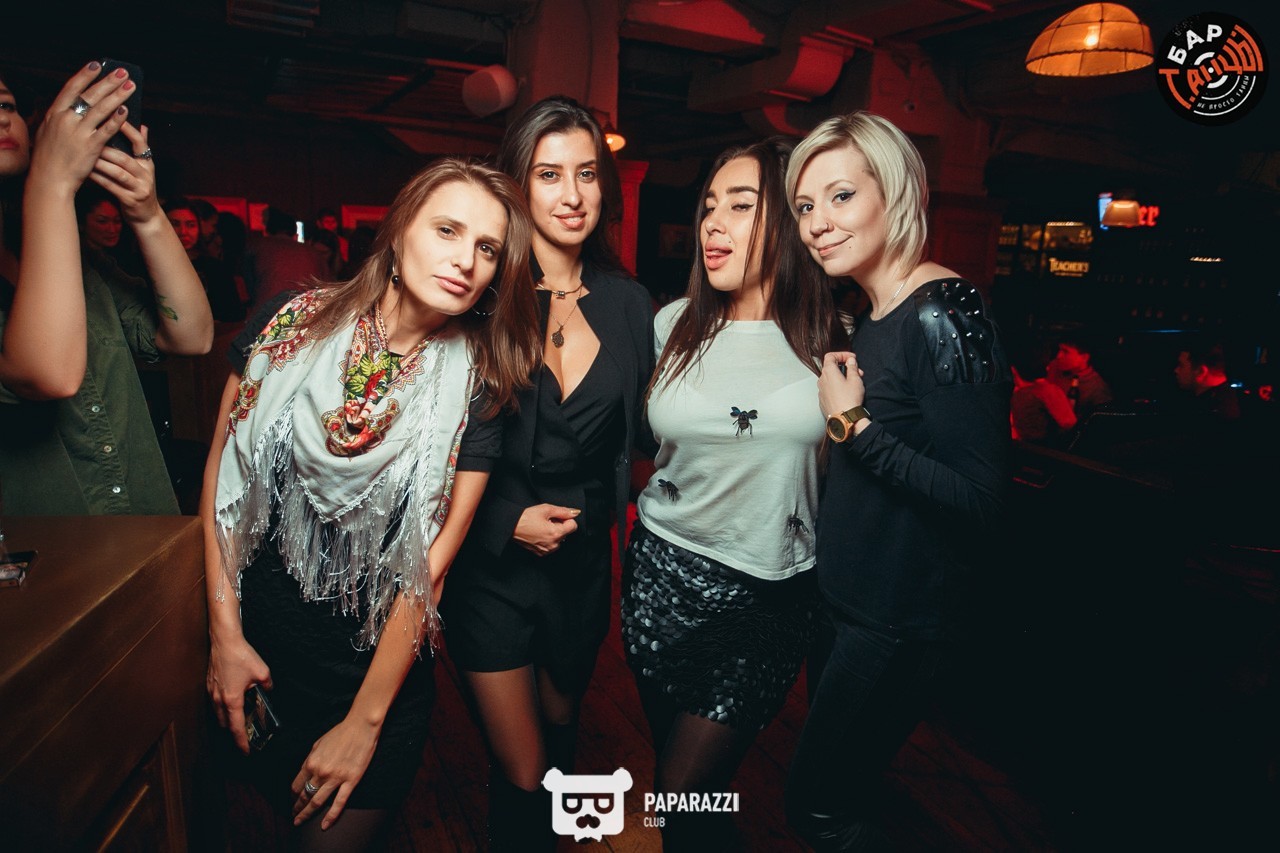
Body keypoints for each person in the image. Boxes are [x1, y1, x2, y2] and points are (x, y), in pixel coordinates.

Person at [201, 158, 541, 851]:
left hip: (369, 683)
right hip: (257, 657)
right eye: (447, 230)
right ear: (400, 228)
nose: (466, 260)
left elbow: (430, 570)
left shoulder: (477, 384)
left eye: (487, 249)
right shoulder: (290, 321)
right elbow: (220, 481)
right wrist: (225, 639)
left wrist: (364, 722)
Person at [783, 111, 1012, 850]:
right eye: (805, 206)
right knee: (840, 793)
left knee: (819, 810)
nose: (818, 224)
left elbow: (982, 499)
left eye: (841, 196)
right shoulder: (872, 312)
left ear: (896, 191)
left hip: (895, 624)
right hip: (846, 605)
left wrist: (854, 428)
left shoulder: (945, 311)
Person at [438, 95, 654, 850]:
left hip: (581, 570)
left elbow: (650, 432)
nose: (572, 195)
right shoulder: (480, 295)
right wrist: (505, 521)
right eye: (549, 174)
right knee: (522, 769)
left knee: (561, 733)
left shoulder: (630, 304)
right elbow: (432, 444)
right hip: (488, 569)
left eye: (587, 174)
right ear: (519, 185)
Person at [621, 137, 845, 850]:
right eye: (710, 206)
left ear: (789, 220)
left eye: (741, 206)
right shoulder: (672, 325)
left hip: (767, 596)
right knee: (691, 793)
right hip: (660, 575)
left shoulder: (835, 342)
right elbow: (642, 446)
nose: (714, 223)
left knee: (681, 792)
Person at [0, 62, 213, 516]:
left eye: (6, 105)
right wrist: (52, 182)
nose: (2, 118)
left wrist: (147, 215)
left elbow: (192, 336)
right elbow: (50, 374)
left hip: (141, 527)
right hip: (47, 549)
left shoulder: (78, 260)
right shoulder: (53, 201)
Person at [166, 195, 245, 322]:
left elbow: (234, 315)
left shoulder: (215, 269)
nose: (183, 232)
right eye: (175, 224)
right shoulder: (147, 266)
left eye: (191, 225)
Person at [242, 205, 328, 313]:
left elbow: (248, 288)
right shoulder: (313, 252)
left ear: (267, 230)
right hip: (308, 314)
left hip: (268, 315)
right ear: (294, 233)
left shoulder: (257, 246)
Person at [1009, 338, 1076, 447]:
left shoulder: (1016, 393)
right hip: (1047, 451)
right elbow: (1070, 425)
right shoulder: (1046, 391)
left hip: (1024, 449)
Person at [1046, 333, 1113, 422]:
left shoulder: (1097, 388)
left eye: (1066, 352)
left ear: (1085, 357)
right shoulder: (1053, 367)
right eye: (1059, 350)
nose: (1059, 356)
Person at [1173, 342, 1241, 422]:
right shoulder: (1231, 401)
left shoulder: (1209, 412)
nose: (1176, 370)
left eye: (1181, 365)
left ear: (1201, 372)